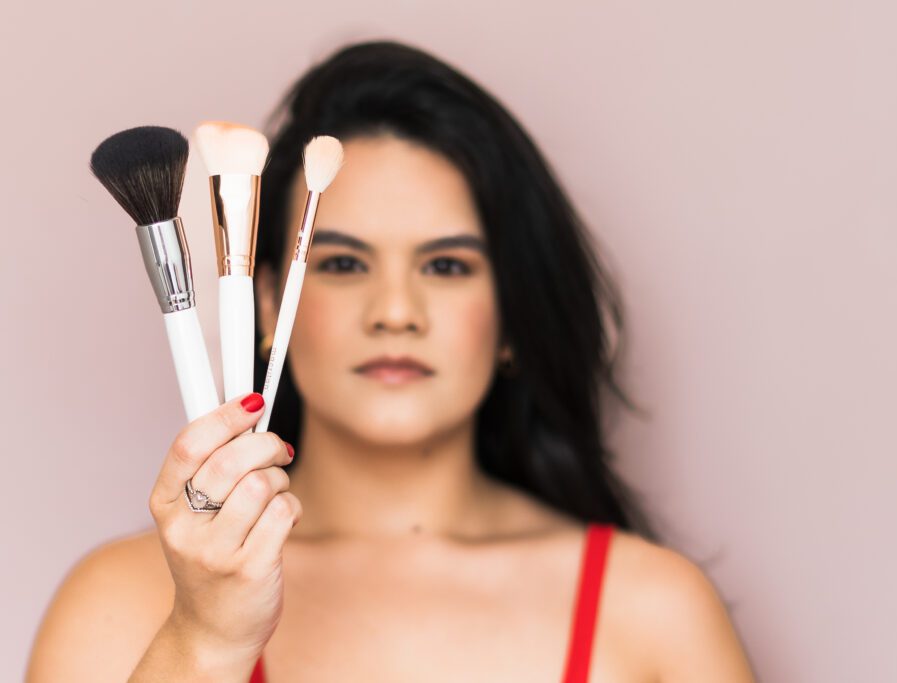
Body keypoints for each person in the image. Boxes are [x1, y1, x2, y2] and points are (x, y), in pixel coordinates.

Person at [27, 40, 755, 682]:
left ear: (511, 315)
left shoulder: (657, 612)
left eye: (445, 266)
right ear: (269, 304)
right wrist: (205, 639)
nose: (395, 311)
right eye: (343, 262)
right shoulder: (116, 604)